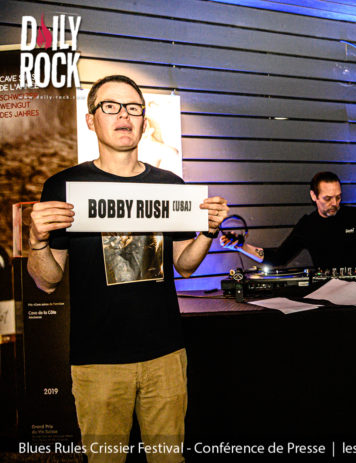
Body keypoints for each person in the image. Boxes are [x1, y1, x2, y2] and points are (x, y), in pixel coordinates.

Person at [27, 74, 229, 462]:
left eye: (134, 108)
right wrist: (36, 242)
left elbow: (185, 266)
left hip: (166, 355)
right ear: (91, 120)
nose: (124, 115)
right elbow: (47, 281)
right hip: (97, 360)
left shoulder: (171, 186)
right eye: (111, 106)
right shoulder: (64, 187)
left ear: (143, 120)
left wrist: (208, 232)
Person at [222, 171, 356, 269]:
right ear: (314, 196)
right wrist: (242, 246)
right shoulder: (307, 225)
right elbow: (278, 258)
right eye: (328, 199)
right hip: (328, 294)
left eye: (338, 197)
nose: (334, 203)